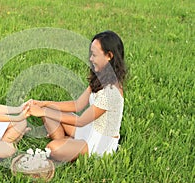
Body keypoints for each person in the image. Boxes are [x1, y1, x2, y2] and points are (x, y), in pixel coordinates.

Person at [29, 31, 127, 162]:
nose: (91, 59)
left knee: (52, 148)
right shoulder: (101, 78)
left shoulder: (111, 93)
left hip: (100, 143)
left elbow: (81, 121)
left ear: (109, 56)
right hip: (89, 129)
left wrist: (42, 111)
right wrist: (44, 104)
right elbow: (77, 105)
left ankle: (67, 145)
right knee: (50, 113)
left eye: (94, 55)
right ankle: (68, 144)